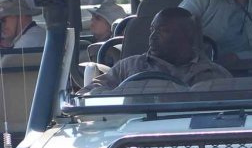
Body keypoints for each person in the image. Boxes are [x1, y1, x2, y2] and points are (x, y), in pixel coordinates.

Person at [81, 7, 231, 93]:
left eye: (163, 31)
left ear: (186, 36)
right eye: (152, 30)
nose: (152, 37)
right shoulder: (128, 67)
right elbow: (87, 95)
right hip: (133, 138)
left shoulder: (214, 74)